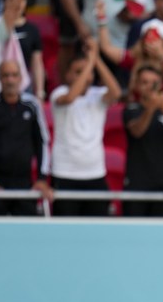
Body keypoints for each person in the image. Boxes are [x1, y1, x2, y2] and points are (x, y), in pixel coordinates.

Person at [49, 40, 122, 217]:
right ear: (67, 75)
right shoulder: (59, 93)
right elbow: (70, 98)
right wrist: (89, 64)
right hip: (65, 173)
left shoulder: (97, 95)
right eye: (78, 72)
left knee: (97, 228)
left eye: (88, 72)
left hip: (95, 173)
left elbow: (116, 93)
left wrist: (96, 59)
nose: (86, 76)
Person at [0, 60, 52, 216]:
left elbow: (42, 142)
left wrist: (41, 178)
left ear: (21, 77)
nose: (10, 80)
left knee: (26, 229)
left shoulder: (32, 105)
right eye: (6, 75)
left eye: (14, 75)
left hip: (25, 182)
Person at [122, 66, 163, 217]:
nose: (149, 86)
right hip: (136, 183)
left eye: (154, 83)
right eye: (144, 82)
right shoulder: (131, 110)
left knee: (161, 229)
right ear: (137, 85)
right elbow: (137, 131)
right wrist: (151, 108)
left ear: (161, 84)